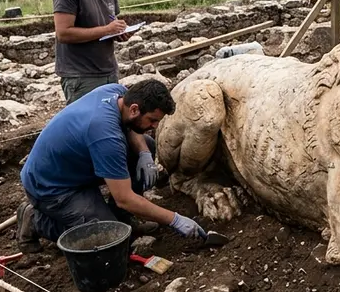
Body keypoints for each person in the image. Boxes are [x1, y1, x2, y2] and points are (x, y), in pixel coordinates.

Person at [16, 79, 207, 253]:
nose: (155, 126)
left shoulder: (116, 92)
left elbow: (131, 127)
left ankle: (123, 218)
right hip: (52, 187)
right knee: (108, 238)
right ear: (134, 109)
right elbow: (125, 198)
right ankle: (35, 220)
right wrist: (174, 219)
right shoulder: (106, 137)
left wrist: (144, 154)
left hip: (75, 165)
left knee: (146, 144)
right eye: (152, 120)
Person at [53, 0, 133, 105]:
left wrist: (118, 33)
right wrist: (107, 30)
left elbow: (108, 24)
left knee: (109, 119)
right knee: (86, 121)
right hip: (82, 77)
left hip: (109, 72)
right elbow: (63, 33)